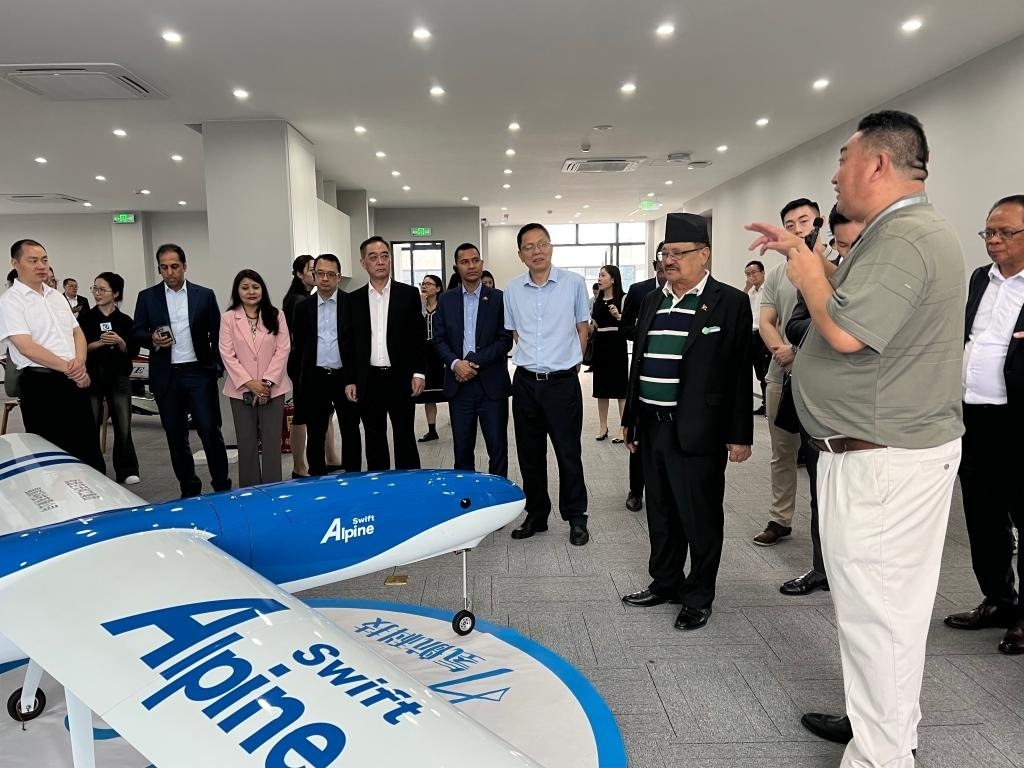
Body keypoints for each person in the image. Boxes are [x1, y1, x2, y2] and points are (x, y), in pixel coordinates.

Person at [747, 110, 965, 767]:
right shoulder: (892, 234)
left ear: (876, 164)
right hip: (877, 452)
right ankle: (885, 728)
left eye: (843, 160)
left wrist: (805, 268)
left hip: (884, 461)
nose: (835, 176)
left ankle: (881, 756)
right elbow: (851, 308)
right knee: (880, 612)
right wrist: (809, 260)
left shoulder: (907, 237)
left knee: (880, 616)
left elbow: (843, 332)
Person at [620, 213, 752, 631]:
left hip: (698, 429)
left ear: (704, 254)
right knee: (660, 512)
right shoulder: (652, 299)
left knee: (700, 517)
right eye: (666, 253)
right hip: (651, 424)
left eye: (679, 253)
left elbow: (738, 373)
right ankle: (665, 582)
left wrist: (740, 434)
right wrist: (631, 418)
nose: (670, 260)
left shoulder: (729, 302)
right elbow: (640, 363)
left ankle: (698, 596)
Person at [944, 194, 1024, 655]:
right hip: (973, 415)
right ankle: (998, 600)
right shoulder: (981, 278)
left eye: (1005, 232)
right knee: (983, 516)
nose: (994, 240)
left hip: (1019, 420)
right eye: (989, 232)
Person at [779, 205, 864, 597]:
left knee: (861, 501)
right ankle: (822, 567)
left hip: (864, 412)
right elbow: (795, 323)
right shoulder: (817, 275)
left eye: (853, 244)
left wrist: (831, 322)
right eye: (841, 245)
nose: (845, 252)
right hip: (819, 410)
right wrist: (829, 323)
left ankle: (857, 575)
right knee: (822, 492)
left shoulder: (878, 280)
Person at [505, 223, 591, 545]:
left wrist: (572, 363)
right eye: (529, 247)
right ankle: (537, 514)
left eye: (542, 244)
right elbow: (515, 333)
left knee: (568, 453)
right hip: (526, 383)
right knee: (529, 454)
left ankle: (576, 517)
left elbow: (582, 327)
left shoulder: (573, 283)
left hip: (562, 384)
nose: (537, 251)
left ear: (551, 247)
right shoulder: (512, 290)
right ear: (520, 255)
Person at [132, 243, 231, 497]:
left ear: (184, 266)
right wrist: (152, 338)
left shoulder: (204, 295)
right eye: (164, 267)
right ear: (159, 269)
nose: (170, 272)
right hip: (166, 375)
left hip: (199, 372)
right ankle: (189, 489)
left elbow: (218, 333)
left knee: (209, 431)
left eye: (174, 266)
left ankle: (222, 486)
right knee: (175, 436)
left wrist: (216, 366)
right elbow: (136, 332)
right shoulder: (147, 297)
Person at [752, 198, 823, 548]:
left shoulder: (834, 268)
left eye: (804, 221)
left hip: (821, 379)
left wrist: (798, 353)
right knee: (782, 453)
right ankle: (780, 518)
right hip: (780, 375)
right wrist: (782, 351)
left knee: (822, 457)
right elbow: (767, 320)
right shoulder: (777, 274)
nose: (797, 229)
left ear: (819, 223)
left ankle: (826, 525)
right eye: (790, 225)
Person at [0, 239, 104, 471]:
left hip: (74, 378)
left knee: (87, 447)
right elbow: (27, 347)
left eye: (44, 260)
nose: (41, 266)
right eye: (33, 260)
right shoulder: (10, 302)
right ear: (15, 263)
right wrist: (73, 370)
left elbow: (77, 332)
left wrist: (80, 363)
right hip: (41, 383)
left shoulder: (56, 296)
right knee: (54, 454)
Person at [344, 237, 427, 470]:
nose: (380, 262)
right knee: (374, 437)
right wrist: (350, 379)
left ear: (390, 259)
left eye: (384, 256)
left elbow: (418, 337)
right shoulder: (353, 300)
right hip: (369, 378)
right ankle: (379, 485)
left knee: (405, 435)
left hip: (401, 377)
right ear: (363, 263)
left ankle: (408, 484)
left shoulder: (408, 294)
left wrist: (419, 372)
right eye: (373, 257)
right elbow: (348, 344)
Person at [434, 243, 513, 475]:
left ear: (482, 263)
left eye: (475, 260)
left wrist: (471, 362)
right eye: (465, 262)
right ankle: (466, 496)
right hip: (459, 386)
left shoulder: (498, 298)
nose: (471, 266)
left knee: (497, 450)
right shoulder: (446, 300)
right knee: (462, 451)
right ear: (456, 267)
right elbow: (439, 340)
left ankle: (497, 496)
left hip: (491, 386)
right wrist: (456, 364)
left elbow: (504, 340)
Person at [219, 269, 291, 487]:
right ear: (237, 291)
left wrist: (266, 383)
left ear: (262, 289)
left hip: (273, 389)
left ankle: (273, 489)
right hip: (241, 391)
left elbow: (283, 349)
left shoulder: (276, 315)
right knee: (246, 443)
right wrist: (250, 383)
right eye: (245, 287)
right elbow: (226, 353)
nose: (251, 292)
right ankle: (250, 491)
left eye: (255, 287)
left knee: (272, 444)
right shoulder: (228, 318)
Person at [293, 253, 362, 475]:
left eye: (330, 274)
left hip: (345, 378)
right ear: (314, 275)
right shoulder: (303, 308)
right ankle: (317, 479)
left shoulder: (351, 303)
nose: (325, 279)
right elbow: (299, 347)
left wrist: (353, 378)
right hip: (315, 378)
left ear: (338, 277)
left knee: (350, 429)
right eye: (320, 273)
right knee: (315, 432)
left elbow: (357, 345)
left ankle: (353, 476)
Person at [79, 272, 140, 484]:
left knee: (123, 424)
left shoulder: (125, 321)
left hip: (119, 376)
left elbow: (132, 350)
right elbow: (80, 348)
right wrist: (100, 343)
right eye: (94, 288)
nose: (97, 293)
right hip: (92, 375)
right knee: (91, 424)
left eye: (102, 289)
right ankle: (94, 469)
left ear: (115, 293)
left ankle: (127, 469)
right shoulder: (85, 319)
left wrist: (120, 342)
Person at [619, 246, 667, 512]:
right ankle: (635, 490)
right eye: (664, 256)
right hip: (644, 370)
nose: (669, 261)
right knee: (638, 433)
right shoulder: (640, 291)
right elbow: (625, 327)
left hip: (675, 376)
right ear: (655, 263)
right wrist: (648, 330)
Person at [282, 254, 315, 477]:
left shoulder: (303, 296)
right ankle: (299, 466)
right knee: (302, 414)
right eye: (312, 269)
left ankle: (330, 458)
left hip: (304, 361)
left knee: (316, 412)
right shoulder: (298, 300)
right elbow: (298, 337)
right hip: (302, 363)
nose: (316, 273)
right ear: (299, 273)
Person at [590, 264, 627, 442]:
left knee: (621, 390)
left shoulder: (624, 298)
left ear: (613, 279)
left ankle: (623, 428)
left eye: (603, 275)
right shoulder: (597, 299)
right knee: (601, 389)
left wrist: (619, 316)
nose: (599, 278)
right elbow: (594, 325)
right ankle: (603, 426)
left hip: (617, 345)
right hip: (600, 345)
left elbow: (630, 324)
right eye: (599, 275)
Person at [415, 274, 446, 442]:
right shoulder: (418, 306)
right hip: (425, 354)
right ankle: (432, 429)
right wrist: (421, 305)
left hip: (441, 353)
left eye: (428, 283)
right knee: (428, 394)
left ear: (438, 288)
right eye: (423, 283)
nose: (424, 286)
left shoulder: (444, 307)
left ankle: (457, 424)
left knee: (448, 391)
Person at [744, 261, 769, 414]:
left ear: (762, 272)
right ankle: (765, 404)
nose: (751, 276)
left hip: (763, 334)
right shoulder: (750, 292)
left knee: (766, 371)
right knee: (758, 371)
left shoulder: (768, 289)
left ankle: (769, 405)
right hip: (751, 334)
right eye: (748, 274)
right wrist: (747, 287)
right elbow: (739, 304)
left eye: (754, 272)